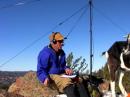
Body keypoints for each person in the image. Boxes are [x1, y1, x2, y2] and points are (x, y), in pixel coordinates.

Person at [37, 32, 90, 97]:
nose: (62, 43)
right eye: (60, 41)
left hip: (62, 74)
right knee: (67, 83)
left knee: (79, 81)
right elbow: (41, 69)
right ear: (54, 42)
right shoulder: (45, 53)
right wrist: (44, 78)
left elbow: (63, 65)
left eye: (62, 41)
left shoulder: (61, 52)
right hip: (52, 76)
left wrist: (66, 68)